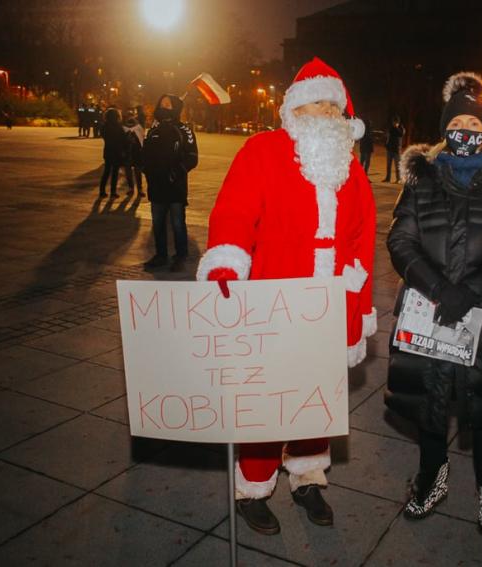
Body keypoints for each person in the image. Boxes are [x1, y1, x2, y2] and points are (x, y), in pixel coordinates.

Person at [196, 57, 376, 536]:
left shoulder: (351, 169)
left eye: (331, 106)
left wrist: (355, 309)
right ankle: (252, 487)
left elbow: (361, 240)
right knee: (266, 401)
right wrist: (226, 262)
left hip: (327, 304)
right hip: (272, 299)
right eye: (314, 103)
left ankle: (307, 477)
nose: (323, 113)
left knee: (315, 399)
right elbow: (234, 212)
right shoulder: (262, 151)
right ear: (294, 109)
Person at [385, 72, 482, 561]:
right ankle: (432, 480)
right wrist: (437, 287)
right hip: (428, 314)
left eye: (475, 122)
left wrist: (471, 290)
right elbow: (400, 239)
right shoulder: (421, 177)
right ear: (446, 128)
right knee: (430, 409)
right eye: (458, 122)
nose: (466, 129)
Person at [142, 94, 198, 271]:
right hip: (156, 185)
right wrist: (146, 169)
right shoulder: (153, 129)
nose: (164, 107)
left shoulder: (184, 129)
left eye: (168, 104)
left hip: (175, 186)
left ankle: (180, 256)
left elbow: (192, 157)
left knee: (177, 223)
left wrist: (176, 172)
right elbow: (146, 154)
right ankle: (161, 255)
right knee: (158, 223)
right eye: (162, 104)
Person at [99, 108, 132, 198]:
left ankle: (102, 191)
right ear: (117, 116)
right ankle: (113, 192)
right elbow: (123, 139)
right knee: (115, 172)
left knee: (107, 171)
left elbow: (103, 135)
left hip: (108, 150)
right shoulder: (118, 127)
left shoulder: (104, 126)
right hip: (117, 151)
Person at [123, 108, 145, 196]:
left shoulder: (138, 127)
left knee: (136, 171)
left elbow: (142, 139)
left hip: (135, 152)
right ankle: (133, 188)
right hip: (130, 153)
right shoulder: (124, 128)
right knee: (132, 171)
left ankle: (137, 188)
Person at [383, 115, 405, 182]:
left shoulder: (401, 128)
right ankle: (388, 178)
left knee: (397, 166)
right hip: (390, 149)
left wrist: (397, 127)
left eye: (395, 122)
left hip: (396, 150)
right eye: (393, 122)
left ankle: (398, 179)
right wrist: (386, 144)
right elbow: (388, 137)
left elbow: (401, 134)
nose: (393, 123)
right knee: (388, 165)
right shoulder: (391, 128)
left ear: (397, 122)